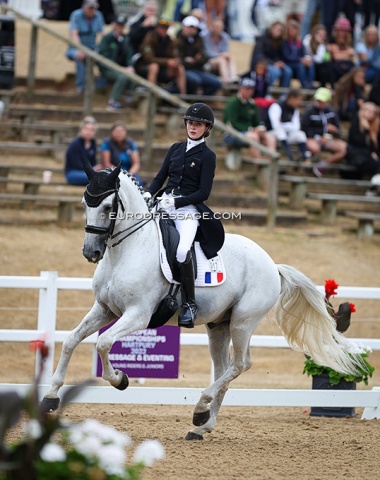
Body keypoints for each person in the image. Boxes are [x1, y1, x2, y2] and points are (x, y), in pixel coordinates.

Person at [142, 103, 225, 329]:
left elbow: (203, 192)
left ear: (207, 128)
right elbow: (160, 178)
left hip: (187, 210)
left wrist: (177, 202)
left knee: (180, 250)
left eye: (198, 124)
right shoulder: (175, 149)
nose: (193, 127)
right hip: (164, 204)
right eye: (190, 123)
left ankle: (189, 303)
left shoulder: (208, 156)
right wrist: (149, 193)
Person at [223, 77, 277, 159]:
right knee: (254, 137)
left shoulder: (252, 104)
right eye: (247, 88)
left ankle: (272, 162)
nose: (249, 91)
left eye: (251, 89)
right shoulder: (233, 103)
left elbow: (257, 121)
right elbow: (232, 122)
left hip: (249, 132)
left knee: (270, 138)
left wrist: (261, 129)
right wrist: (250, 129)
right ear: (240, 89)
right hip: (232, 134)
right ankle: (259, 162)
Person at [301, 87, 347, 173]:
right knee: (314, 148)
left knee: (345, 148)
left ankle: (322, 165)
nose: (319, 103)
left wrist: (335, 130)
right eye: (318, 100)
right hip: (313, 138)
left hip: (329, 139)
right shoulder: (309, 111)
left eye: (322, 101)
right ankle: (309, 163)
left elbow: (338, 129)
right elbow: (305, 128)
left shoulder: (332, 112)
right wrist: (318, 137)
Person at [136, 18, 186, 94]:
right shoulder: (150, 38)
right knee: (154, 66)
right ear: (157, 28)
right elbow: (148, 59)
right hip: (145, 67)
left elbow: (174, 54)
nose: (164, 30)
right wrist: (167, 62)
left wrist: (175, 61)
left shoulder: (169, 40)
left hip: (163, 69)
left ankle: (182, 97)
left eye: (166, 28)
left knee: (180, 68)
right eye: (162, 27)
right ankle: (151, 94)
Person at [65, 0, 105, 94]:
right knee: (80, 57)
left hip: (93, 48)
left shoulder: (98, 16)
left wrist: (100, 49)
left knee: (104, 57)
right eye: (90, 7)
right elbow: (74, 34)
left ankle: (100, 86)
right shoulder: (76, 15)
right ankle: (81, 87)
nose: (92, 10)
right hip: (76, 48)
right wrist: (80, 49)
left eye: (94, 7)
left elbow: (101, 35)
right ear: (83, 6)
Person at [177, 16, 222, 95]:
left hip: (198, 70)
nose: (191, 30)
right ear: (183, 27)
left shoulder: (199, 40)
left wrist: (194, 60)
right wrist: (191, 60)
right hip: (184, 70)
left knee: (216, 82)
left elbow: (204, 57)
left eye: (193, 28)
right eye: (189, 27)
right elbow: (179, 59)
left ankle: (200, 101)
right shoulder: (177, 40)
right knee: (195, 80)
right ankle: (189, 99)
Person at [98, 14, 135, 111]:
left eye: (122, 25)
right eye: (119, 25)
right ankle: (112, 101)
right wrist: (120, 68)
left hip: (121, 68)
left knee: (132, 74)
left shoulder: (125, 39)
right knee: (122, 76)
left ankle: (130, 96)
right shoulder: (107, 38)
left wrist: (130, 66)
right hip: (107, 68)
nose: (120, 27)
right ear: (114, 25)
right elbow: (104, 57)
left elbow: (129, 54)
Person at [267, 89, 311, 162]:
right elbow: (275, 126)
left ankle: (306, 158)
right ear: (292, 98)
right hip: (272, 134)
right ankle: (290, 157)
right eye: (298, 100)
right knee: (280, 132)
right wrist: (289, 125)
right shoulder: (276, 106)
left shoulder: (295, 110)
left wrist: (284, 124)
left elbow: (296, 127)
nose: (299, 102)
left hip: (287, 136)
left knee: (301, 134)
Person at [346, 102, 380, 192]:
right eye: (368, 111)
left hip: (369, 157)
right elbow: (357, 142)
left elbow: (375, 147)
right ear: (363, 111)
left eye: (373, 112)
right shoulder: (356, 124)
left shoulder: (376, 127)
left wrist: (374, 153)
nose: (371, 114)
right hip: (357, 156)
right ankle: (373, 188)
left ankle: (373, 187)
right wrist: (366, 130)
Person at [250, 20, 292, 88]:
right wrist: (273, 63)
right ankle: (266, 90)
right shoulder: (262, 39)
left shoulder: (281, 42)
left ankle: (284, 93)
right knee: (275, 71)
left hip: (274, 64)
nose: (278, 32)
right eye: (277, 29)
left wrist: (280, 63)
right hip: (260, 64)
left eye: (280, 30)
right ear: (271, 28)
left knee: (287, 70)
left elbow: (281, 56)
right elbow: (259, 56)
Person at [100, 122, 144, 186]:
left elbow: (136, 163)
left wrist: (129, 174)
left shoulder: (131, 143)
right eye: (116, 131)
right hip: (112, 172)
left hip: (129, 172)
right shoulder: (107, 143)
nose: (119, 133)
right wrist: (118, 173)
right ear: (112, 132)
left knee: (138, 185)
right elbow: (106, 163)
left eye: (121, 131)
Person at [65, 116, 101, 185]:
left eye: (92, 130)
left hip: (87, 172)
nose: (88, 132)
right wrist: (91, 169)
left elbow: (93, 162)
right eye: (86, 129)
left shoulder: (93, 144)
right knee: (95, 177)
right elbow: (76, 164)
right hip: (73, 172)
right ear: (81, 129)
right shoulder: (74, 144)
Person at [202, 18, 239, 84]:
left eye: (219, 27)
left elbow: (226, 50)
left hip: (221, 58)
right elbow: (208, 52)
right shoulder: (205, 37)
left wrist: (223, 55)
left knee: (230, 58)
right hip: (209, 61)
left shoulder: (225, 37)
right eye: (216, 26)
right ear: (212, 27)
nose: (218, 28)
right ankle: (226, 80)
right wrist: (221, 55)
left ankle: (233, 78)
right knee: (222, 60)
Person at [282, 19, 314, 88]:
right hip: (288, 63)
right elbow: (286, 56)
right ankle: (305, 86)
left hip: (298, 62)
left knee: (310, 65)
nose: (292, 32)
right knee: (300, 66)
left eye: (294, 29)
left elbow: (303, 54)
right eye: (290, 29)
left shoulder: (299, 43)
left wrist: (305, 60)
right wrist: (300, 59)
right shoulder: (285, 42)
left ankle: (310, 85)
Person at [328, 15, 356, 86]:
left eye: (344, 31)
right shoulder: (331, 41)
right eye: (340, 30)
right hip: (334, 69)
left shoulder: (350, 44)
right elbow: (332, 57)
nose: (342, 33)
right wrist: (345, 54)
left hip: (346, 68)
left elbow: (353, 58)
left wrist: (340, 54)